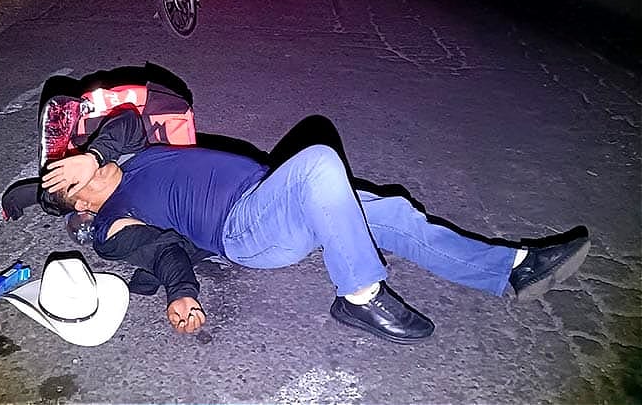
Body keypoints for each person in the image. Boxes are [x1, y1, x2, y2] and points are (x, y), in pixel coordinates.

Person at [30, 103, 591, 344]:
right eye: (74, 184)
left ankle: (511, 269)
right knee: (320, 161)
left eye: (76, 168)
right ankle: (360, 294)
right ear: (80, 205)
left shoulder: (127, 160)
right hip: (244, 230)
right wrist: (181, 293)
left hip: (266, 193)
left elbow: (130, 121)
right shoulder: (109, 224)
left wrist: (93, 155)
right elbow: (163, 254)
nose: (84, 177)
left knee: (391, 212)